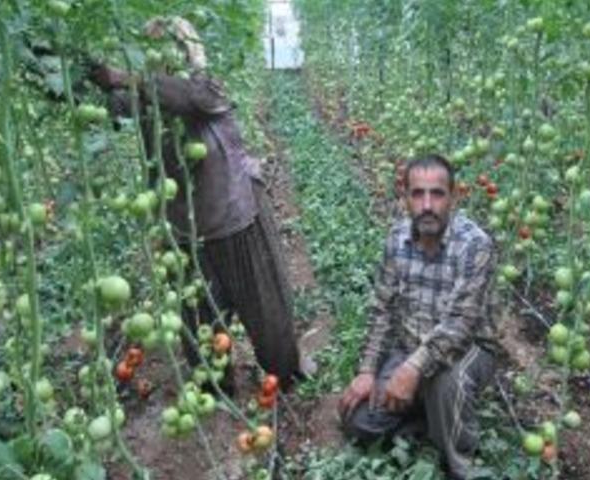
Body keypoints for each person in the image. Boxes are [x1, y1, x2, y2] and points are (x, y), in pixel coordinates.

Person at [86, 17, 302, 388]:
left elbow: (195, 96)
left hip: (235, 218)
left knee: (266, 311)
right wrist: (64, 68)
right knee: (198, 319)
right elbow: (102, 102)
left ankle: (284, 375)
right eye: (151, 51)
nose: (159, 60)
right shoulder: (147, 97)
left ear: (184, 53)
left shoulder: (205, 88)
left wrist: (130, 74)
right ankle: (215, 388)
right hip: (184, 232)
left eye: (170, 50)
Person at [337, 155, 498, 480]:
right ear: (405, 197)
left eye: (437, 194)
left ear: (454, 197)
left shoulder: (475, 245)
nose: (427, 204)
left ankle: (460, 463)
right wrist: (368, 370)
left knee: (445, 382)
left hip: (470, 349)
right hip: (409, 344)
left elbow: (459, 325)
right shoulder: (396, 240)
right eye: (418, 194)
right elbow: (382, 309)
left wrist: (411, 369)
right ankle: (429, 418)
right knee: (359, 420)